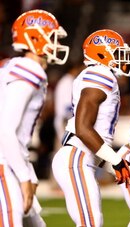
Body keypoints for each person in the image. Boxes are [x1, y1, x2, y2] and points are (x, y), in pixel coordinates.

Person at [52, 29, 130, 227]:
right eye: (117, 53)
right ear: (101, 54)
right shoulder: (99, 73)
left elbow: (95, 140)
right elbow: (83, 128)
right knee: (91, 222)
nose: (122, 58)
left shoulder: (99, 75)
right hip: (76, 158)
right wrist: (117, 161)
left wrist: (120, 167)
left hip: (82, 157)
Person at [0, 9, 69, 227]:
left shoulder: (13, 66)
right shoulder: (29, 68)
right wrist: (23, 175)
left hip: (11, 159)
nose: (56, 43)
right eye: (52, 37)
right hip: (4, 163)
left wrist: (27, 172)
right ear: (35, 37)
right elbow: (5, 128)